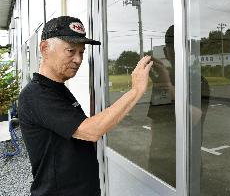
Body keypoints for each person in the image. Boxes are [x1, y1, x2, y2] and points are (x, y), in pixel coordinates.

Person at [18, 16, 153, 196]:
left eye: (81, 52)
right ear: (44, 48)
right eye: (70, 50)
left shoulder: (58, 89)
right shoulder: (36, 95)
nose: (78, 59)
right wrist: (135, 91)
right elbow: (91, 131)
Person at [147, 25, 210, 186]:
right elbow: (155, 121)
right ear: (166, 52)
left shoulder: (198, 81)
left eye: (178, 46)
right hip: (158, 161)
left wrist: (167, 84)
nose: (174, 51)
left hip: (186, 163)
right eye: (171, 46)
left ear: (189, 50)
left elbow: (194, 117)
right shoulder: (163, 78)